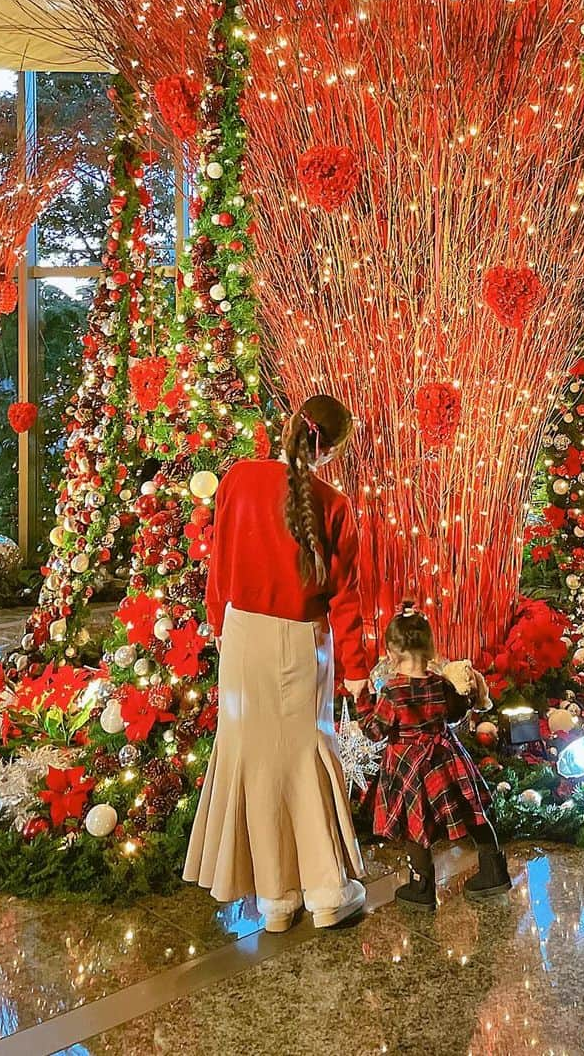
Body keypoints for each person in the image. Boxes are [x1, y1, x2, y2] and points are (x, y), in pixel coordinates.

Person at [183, 395, 370, 932]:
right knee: (305, 756)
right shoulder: (333, 503)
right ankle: (328, 893)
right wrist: (356, 668)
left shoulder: (239, 478)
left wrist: (220, 622)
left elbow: (217, 563)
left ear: (287, 427)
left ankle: (276, 902)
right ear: (331, 450)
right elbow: (345, 597)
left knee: (253, 762)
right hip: (301, 642)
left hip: (242, 637)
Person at [357, 604, 511, 911]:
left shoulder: (391, 691)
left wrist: (362, 702)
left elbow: (375, 731)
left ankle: (422, 886)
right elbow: (455, 715)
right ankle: (494, 869)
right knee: (471, 811)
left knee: (416, 822)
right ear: (430, 649)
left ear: (390, 653)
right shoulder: (441, 683)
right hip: (445, 758)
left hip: (408, 764)